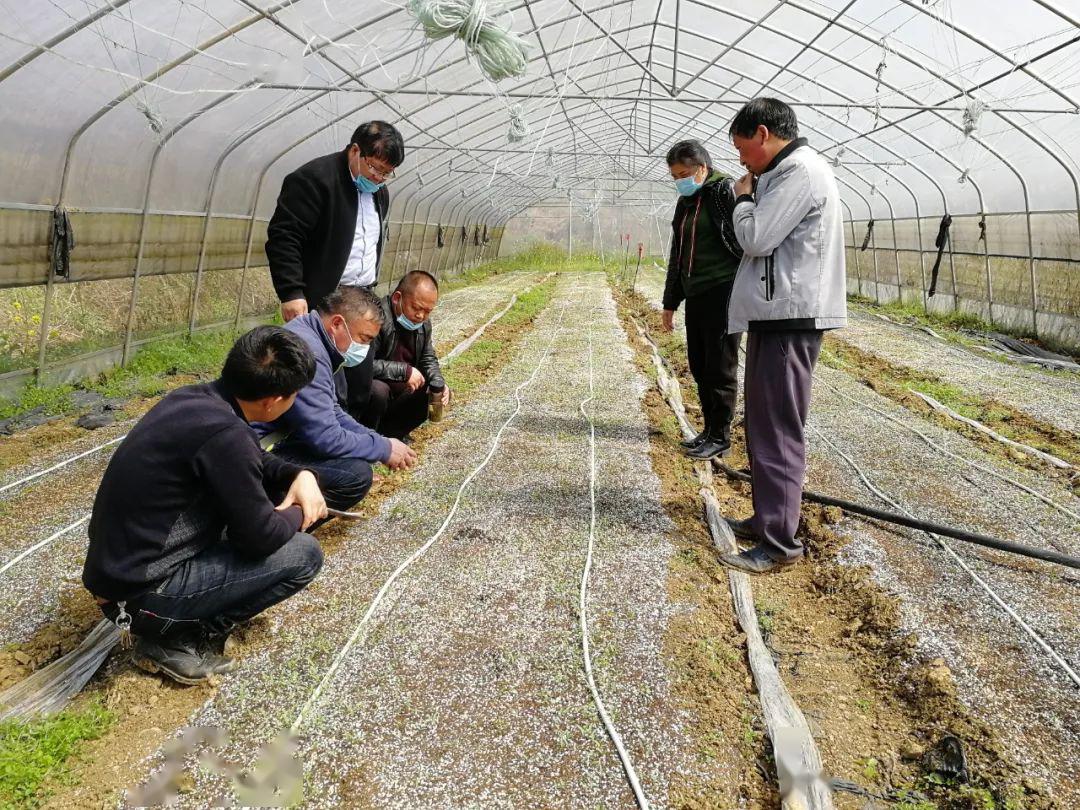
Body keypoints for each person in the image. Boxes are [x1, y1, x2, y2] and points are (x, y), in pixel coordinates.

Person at [83, 326, 328, 685]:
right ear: (274, 401)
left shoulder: (194, 400)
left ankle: (176, 623)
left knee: (255, 507)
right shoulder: (227, 436)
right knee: (304, 554)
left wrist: (299, 475)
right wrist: (299, 511)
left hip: (117, 576)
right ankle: (180, 637)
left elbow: (255, 459)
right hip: (140, 597)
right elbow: (259, 538)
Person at [719, 98, 847, 575]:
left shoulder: (799, 173)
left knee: (777, 430)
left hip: (790, 318)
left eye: (741, 147)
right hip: (778, 315)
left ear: (764, 134)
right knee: (763, 424)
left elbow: (756, 239)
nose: (741, 159)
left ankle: (779, 543)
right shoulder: (788, 172)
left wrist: (745, 197)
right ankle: (767, 517)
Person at [266, 120, 405, 418]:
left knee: (358, 383)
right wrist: (291, 291)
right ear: (355, 151)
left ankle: (350, 445)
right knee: (317, 381)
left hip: (361, 297)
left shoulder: (378, 192)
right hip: (324, 299)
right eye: (375, 169)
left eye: (387, 173)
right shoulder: (315, 180)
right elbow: (284, 237)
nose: (379, 178)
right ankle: (313, 450)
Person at [256, 286, 417, 502]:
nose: (366, 348)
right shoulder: (309, 354)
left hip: (276, 434)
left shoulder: (308, 333)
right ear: (337, 323)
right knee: (355, 475)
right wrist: (381, 448)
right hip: (260, 448)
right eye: (364, 338)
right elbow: (325, 437)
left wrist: (378, 441)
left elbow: (332, 412)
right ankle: (276, 513)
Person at [661, 139, 744, 460]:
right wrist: (671, 301)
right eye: (674, 176)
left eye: (683, 173)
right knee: (698, 364)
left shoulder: (725, 193)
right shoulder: (687, 201)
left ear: (702, 168)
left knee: (720, 366)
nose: (679, 180)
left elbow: (745, 241)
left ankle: (720, 436)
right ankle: (708, 430)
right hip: (696, 293)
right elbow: (677, 253)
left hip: (724, 292)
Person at [359, 270, 451, 442]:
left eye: (428, 311)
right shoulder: (375, 318)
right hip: (373, 392)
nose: (420, 316)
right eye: (416, 308)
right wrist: (404, 371)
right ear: (397, 298)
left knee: (435, 390)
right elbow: (363, 364)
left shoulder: (423, 325)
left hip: (401, 391)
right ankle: (367, 438)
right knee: (378, 390)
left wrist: (438, 382)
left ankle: (393, 434)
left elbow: (427, 356)